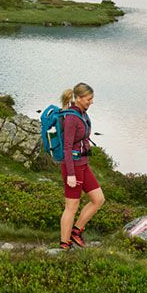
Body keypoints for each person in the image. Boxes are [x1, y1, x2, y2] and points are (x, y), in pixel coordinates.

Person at [56, 82, 105, 250]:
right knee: (71, 206)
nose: (91, 102)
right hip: (73, 168)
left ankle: (75, 231)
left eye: (91, 99)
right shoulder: (71, 118)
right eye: (88, 99)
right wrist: (70, 174)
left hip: (84, 165)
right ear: (78, 98)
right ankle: (64, 244)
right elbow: (67, 148)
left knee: (98, 199)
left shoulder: (82, 113)